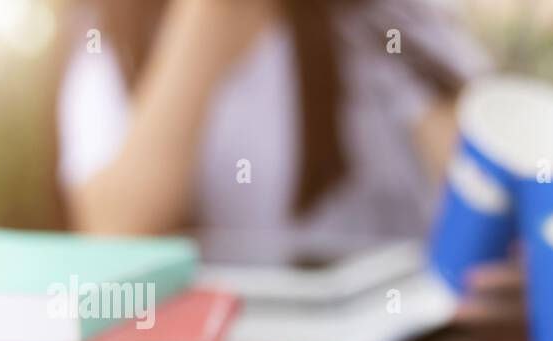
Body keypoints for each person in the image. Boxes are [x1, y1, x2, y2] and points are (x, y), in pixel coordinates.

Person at [57, 0, 518, 318]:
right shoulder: (113, 30)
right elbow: (116, 234)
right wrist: (209, 20)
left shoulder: (381, 20)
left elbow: (487, 191)